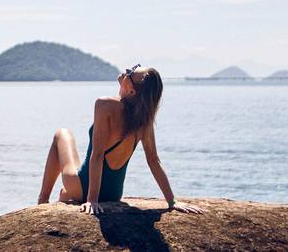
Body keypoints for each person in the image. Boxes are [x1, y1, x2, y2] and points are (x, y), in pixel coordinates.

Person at [37, 64, 202, 215]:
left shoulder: (104, 105)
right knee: (65, 192)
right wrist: (172, 201)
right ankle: (67, 196)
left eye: (131, 72)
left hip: (85, 186)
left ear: (132, 91)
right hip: (114, 193)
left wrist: (92, 200)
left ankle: (42, 201)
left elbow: (98, 155)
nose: (127, 70)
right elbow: (153, 160)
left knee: (62, 133)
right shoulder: (145, 120)